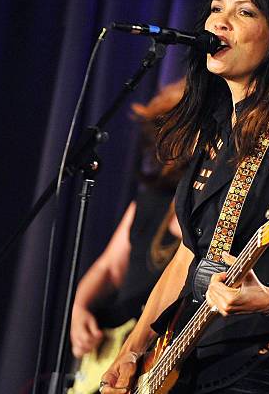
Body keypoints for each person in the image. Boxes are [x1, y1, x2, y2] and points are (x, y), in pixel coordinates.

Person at [101, 0, 269, 394]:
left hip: (267, 360)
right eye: (217, 8)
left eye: (245, 13)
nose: (219, 21)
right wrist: (132, 349)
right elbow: (187, 256)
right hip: (195, 352)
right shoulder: (216, 126)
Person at [70, 79, 185, 360]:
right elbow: (109, 268)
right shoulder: (148, 203)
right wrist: (79, 309)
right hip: (112, 350)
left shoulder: (220, 213)